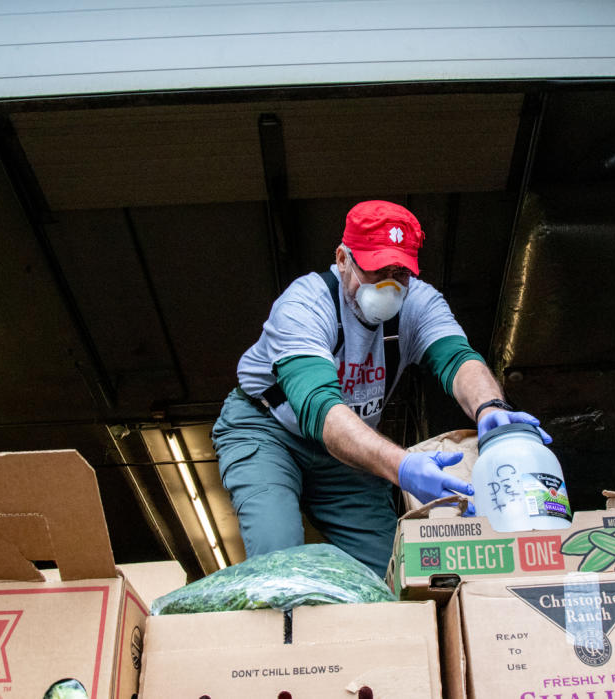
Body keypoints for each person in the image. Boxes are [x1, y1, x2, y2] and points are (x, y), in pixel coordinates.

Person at [212, 200, 550, 575]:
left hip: (347, 449)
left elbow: (457, 359)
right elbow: (319, 408)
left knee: (397, 570)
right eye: (376, 272)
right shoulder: (304, 305)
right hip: (269, 430)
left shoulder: (419, 303)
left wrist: (490, 407)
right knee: (278, 556)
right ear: (343, 259)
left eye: (400, 273)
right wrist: (402, 466)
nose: (389, 286)